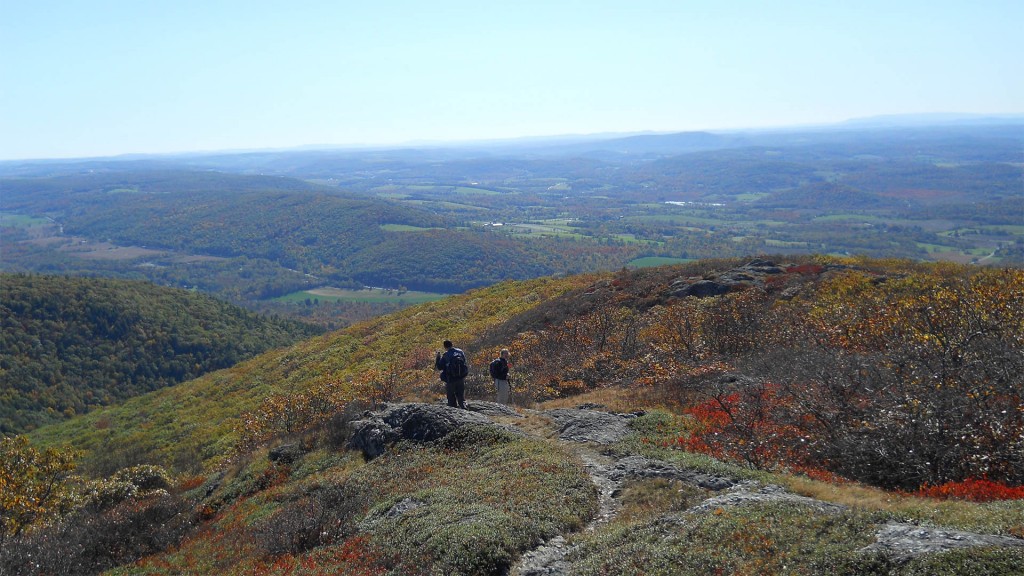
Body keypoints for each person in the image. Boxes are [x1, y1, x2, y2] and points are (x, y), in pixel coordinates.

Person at [435, 340, 468, 409]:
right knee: (461, 397)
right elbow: (464, 362)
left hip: (450, 379)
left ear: (445, 347)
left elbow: (439, 367)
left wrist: (438, 358)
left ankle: (453, 414)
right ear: (452, 344)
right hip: (461, 377)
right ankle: (465, 409)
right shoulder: (460, 351)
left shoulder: (446, 355)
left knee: (451, 398)